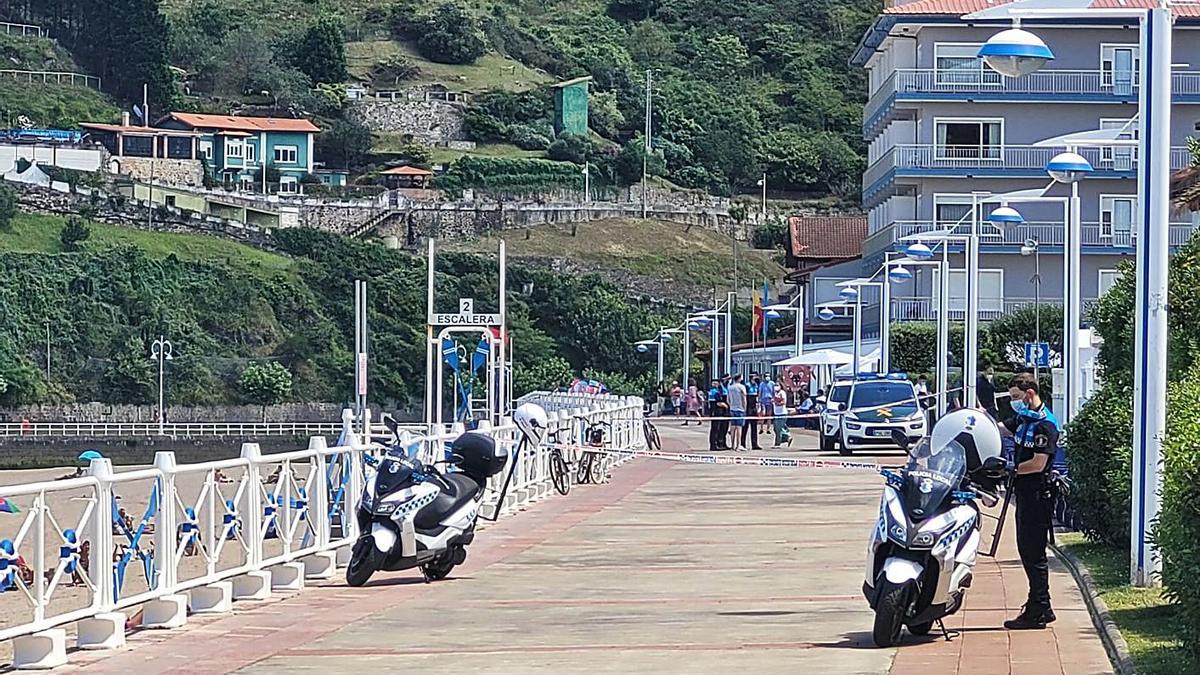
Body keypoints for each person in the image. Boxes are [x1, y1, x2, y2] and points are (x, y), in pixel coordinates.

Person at [1002, 374, 1061, 630]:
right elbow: (1002, 428)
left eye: (1015, 397)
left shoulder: (1045, 425)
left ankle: (1037, 608)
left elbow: (1038, 463)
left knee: (1033, 553)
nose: (1013, 402)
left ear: (1029, 393)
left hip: (1038, 495)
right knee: (1026, 550)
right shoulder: (1024, 418)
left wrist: (1010, 469)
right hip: (1024, 494)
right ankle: (1043, 605)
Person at [707, 377, 729, 451]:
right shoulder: (713, 391)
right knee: (715, 428)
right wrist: (725, 405)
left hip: (722, 411)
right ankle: (714, 445)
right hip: (716, 411)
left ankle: (721, 443)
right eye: (714, 383)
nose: (715, 384)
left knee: (723, 428)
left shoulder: (722, 389)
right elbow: (718, 402)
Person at [727, 374, 749, 451]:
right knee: (739, 428)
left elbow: (728, 399)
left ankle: (732, 445)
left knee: (732, 427)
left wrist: (731, 406)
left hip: (732, 409)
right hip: (740, 409)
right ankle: (738, 445)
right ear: (739, 379)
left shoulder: (730, 387)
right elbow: (744, 398)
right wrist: (744, 408)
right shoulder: (742, 387)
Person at [743, 374, 763, 451]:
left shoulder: (756, 385)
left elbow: (757, 395)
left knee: (754, 427)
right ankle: (743, 443)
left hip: (754, 405)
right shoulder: (747, 385)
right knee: (745, 427)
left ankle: (754, 444)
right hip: (748, 405)